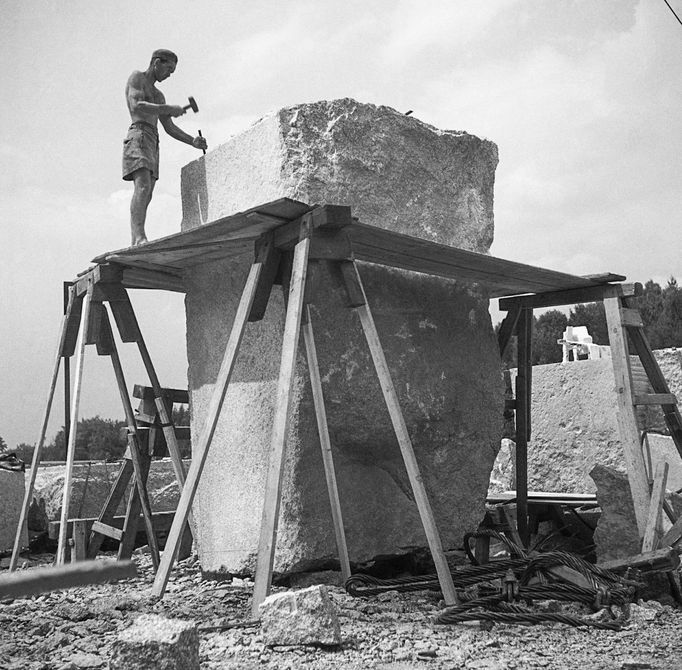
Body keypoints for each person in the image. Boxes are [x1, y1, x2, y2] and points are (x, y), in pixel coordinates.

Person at [122, 49, 207, 246]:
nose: (169, 74)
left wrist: (192, 141)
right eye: (168, 68)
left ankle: (138, 237)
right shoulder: (137, 78)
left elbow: (169, 127)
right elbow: (137, 105)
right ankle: (138, 237)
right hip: (139, 135)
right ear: (156, 63)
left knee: (149, 190)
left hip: (153, 139)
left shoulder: (159, 96)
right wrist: (167, 109)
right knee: (142, 185)